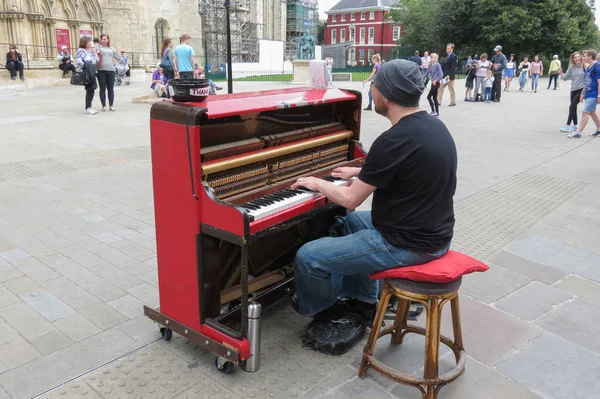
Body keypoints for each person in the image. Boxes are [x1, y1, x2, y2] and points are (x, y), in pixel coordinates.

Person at [287, 59, 456, 324]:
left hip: (409, 244)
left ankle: (323, 310)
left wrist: (318, 183)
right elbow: (406, 167)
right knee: (354, 222)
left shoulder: (392, 140)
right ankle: (363, 300)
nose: (371, 91)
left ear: (386, 96)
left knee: (308, 257)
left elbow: (350, 199)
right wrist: (360, 172)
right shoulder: (433, 126)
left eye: (374, 86)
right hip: (436, 235)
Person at [569, 49, 600, 138]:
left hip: (594, 94)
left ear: (590, 57)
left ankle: (578, 132)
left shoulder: (597, 67)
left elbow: (599, 82)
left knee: (585, 112)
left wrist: (599, 95)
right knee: (592, 112)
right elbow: (586, 82)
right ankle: (599, 129)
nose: (583, 57)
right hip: (588, 93)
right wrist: (582, 94)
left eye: (585, 56)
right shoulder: (589, 67)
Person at [559, 51, 586, 133]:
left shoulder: (584, 66)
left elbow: (589, 77)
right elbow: (565, 78)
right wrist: (561, 73)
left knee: (571, 106)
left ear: (580, 57)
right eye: (575, 58)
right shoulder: (571, 67)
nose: (577, 58)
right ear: (573, 59)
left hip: (581, 89)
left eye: (578, 57)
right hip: (573, 89)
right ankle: (575, 125)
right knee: (574, 107)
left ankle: (567, 125)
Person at [96, 33, 122, 111]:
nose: (104, 41)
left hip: (111, 70)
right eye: (102, 39)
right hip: (101, 70)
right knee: (102, 88)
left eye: (105, 39)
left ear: (108, 40)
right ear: (100, 40)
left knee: (110, 88)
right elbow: (95, 55)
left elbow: (118, 58)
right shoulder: (98, 47)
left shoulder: (111, 48)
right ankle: (103, 105)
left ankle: (111, 105)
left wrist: (119, 49)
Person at [75, 36, 99, 115]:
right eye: (89, 42)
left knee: (92, 89)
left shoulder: (90, 51)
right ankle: (88, 107)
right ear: (84, 42)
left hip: (92, 71)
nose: (90, 43)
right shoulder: (81, 51)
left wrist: (94, 51)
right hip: (87, 72)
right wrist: (86, 66)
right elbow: (79, 61)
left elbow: (97, 60)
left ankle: (89, 106)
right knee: (89, 89)